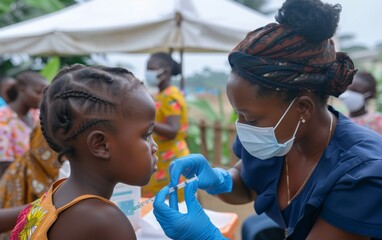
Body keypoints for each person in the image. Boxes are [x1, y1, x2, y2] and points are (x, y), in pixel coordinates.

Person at [152, 0, 382, 239]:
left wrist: (208, 237)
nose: (242, 127)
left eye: (250, 119)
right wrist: (218, 179)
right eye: (238, 114)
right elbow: (247, 183)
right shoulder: (280, 136)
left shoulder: (363, 175)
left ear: (302, 107)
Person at [9, 64, 160, 240]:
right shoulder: (105, 222)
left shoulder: (55, 195)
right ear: (101, 145)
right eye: (146, 135)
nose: (154, 146)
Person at [142, 52, 190, 201]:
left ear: (166, 72)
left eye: (152, 69)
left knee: (171, 205)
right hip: (164, 159)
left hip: (171, 160)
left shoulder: (169, 96)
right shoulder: (162, 94)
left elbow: (173, 130)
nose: (148, 73)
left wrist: (145, 120)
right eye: (147, 69)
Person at [0, 71, 47, 177]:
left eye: (45, 93)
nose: (43, 98)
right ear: (22, 89)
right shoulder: (3, 118)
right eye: (38, 92)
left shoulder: (37, 115)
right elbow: (4, 165)